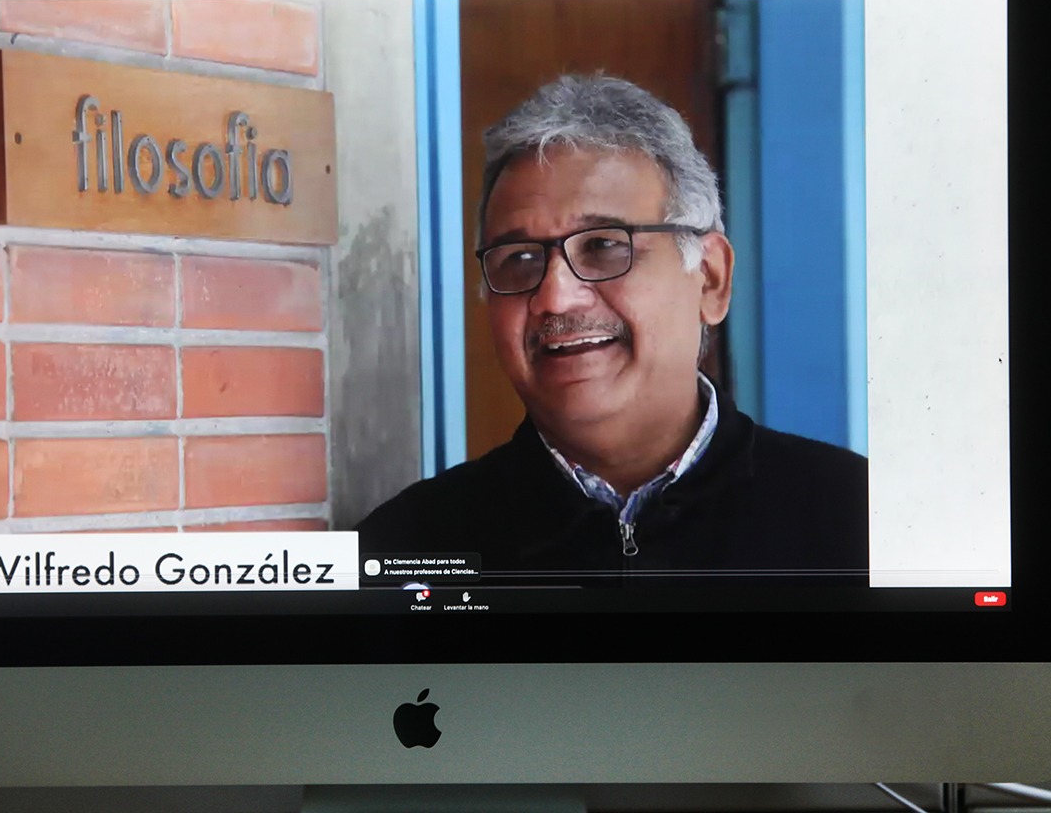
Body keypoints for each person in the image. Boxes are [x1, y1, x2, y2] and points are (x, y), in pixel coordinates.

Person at [358, 75, 868, 584]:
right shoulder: (403, 550)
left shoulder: (858, 520)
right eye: (521, 258)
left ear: (711, 278)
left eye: (603, 246)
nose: (556, 297)